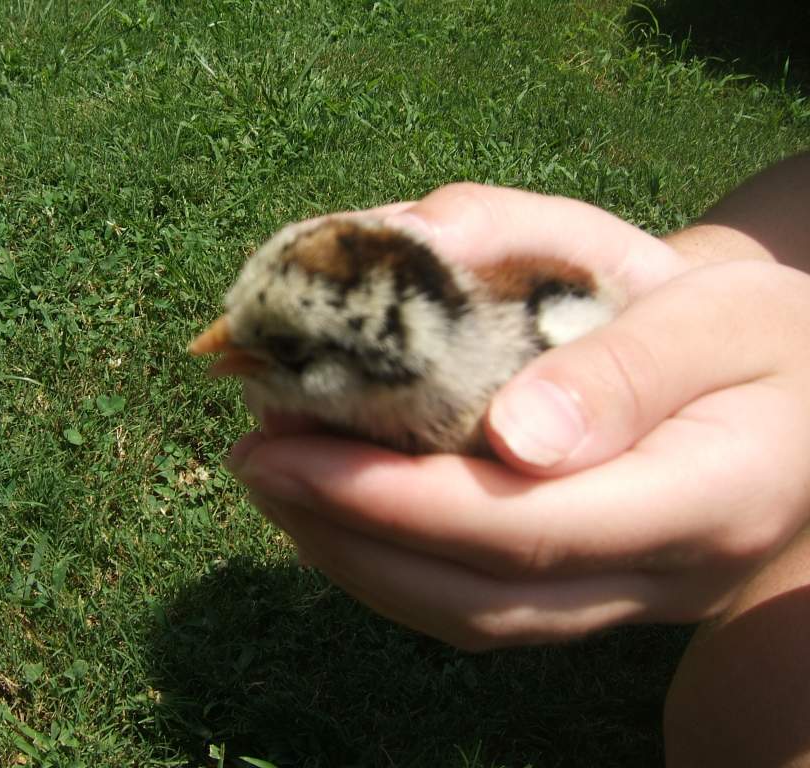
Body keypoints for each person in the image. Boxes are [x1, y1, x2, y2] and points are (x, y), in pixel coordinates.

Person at [225, 153, 810, 767]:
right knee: (743, 707)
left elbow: (580, 311)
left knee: (755, 707)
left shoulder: (526, 347)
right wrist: (691, 282)